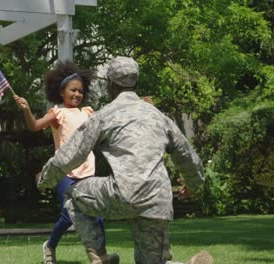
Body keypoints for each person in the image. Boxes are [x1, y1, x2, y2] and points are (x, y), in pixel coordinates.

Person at [37, 56, 213, 264]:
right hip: (158, 199)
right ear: (135, 82)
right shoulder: (158, 116)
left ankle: (99, 257)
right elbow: (187, 154)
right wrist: (193, 184)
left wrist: (44, 179)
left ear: (110, 84)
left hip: (124, 193)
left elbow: (72, 154)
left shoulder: (105, 116)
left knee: (73, 195)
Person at [14, 61, 108, 264]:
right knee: (68, 215)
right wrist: (26, 109)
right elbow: (35, 126)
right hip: (65, 172)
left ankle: (101, 256)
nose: (77, 94)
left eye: (80, 91)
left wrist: (136, 106)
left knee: (97, 215)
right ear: (61, 91)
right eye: (73, 90)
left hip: (87, 171)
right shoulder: (57, 113)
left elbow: (108, 124)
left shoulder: (88, 113)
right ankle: (50, 246)